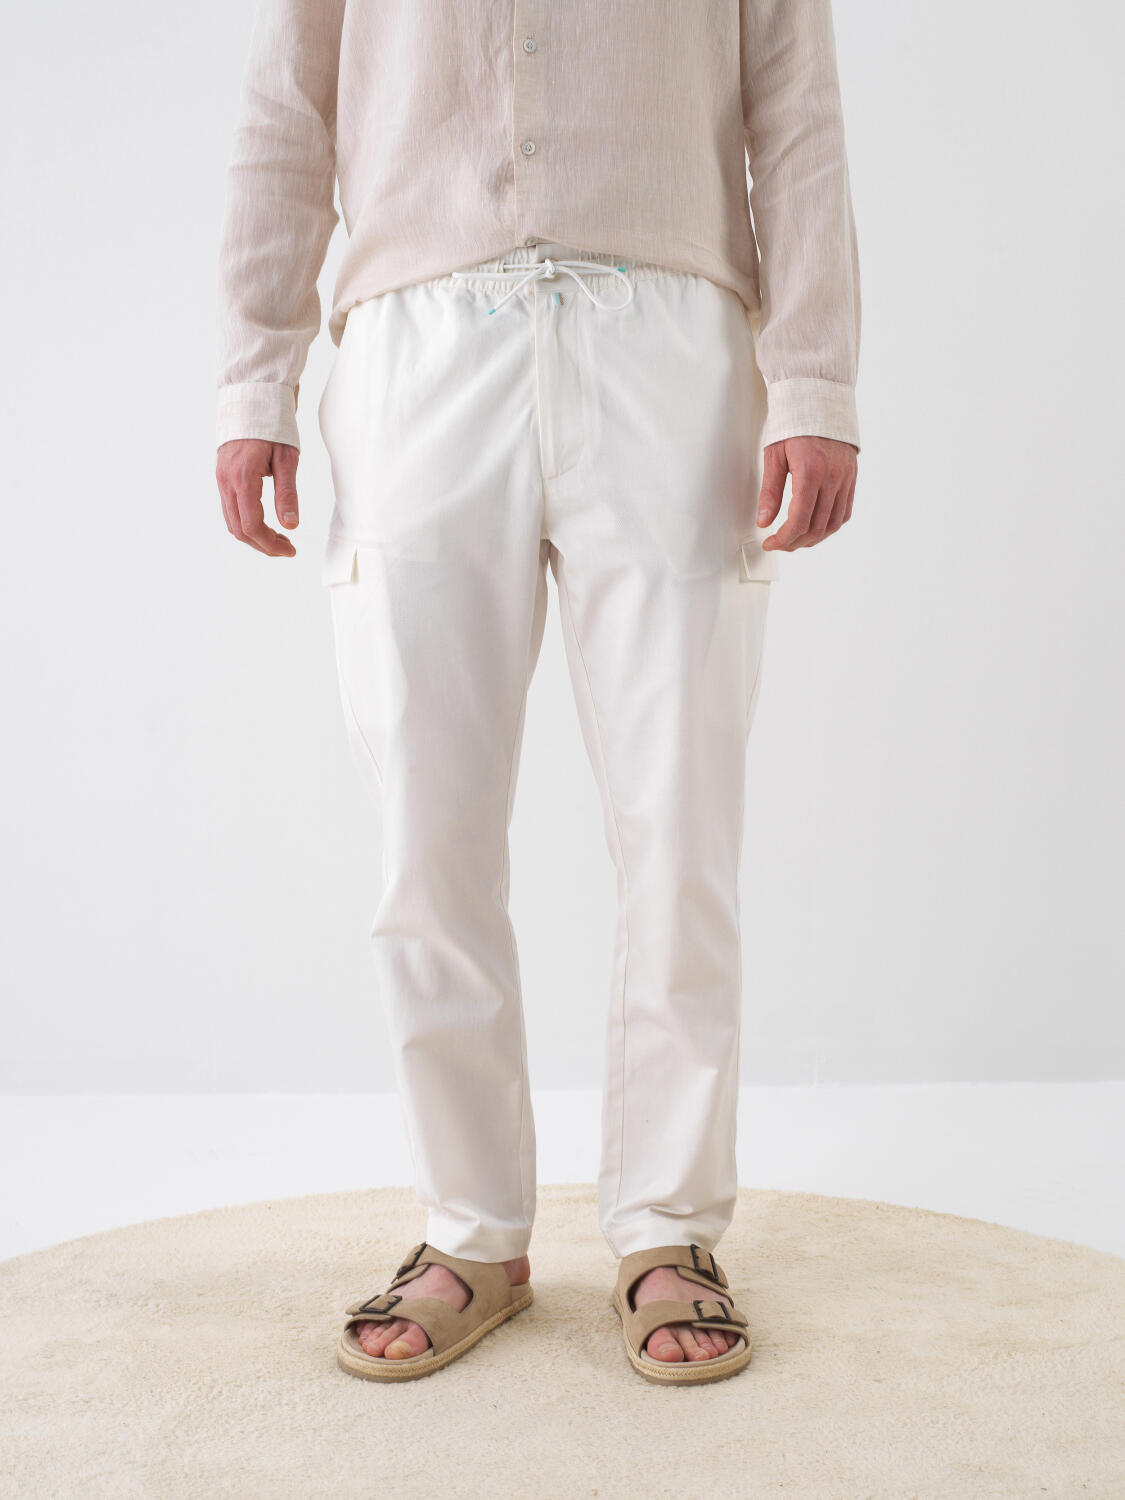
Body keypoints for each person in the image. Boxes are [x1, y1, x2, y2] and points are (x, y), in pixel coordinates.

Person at [214, 0, 860, 1387]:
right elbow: (288, 106)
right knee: (425, 830)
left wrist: (812, 376)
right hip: (416, 343)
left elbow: (794, 107)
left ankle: (668, 1227)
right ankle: (470, 1231)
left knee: (681, 823)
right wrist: (254, 381)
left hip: (672, 338)